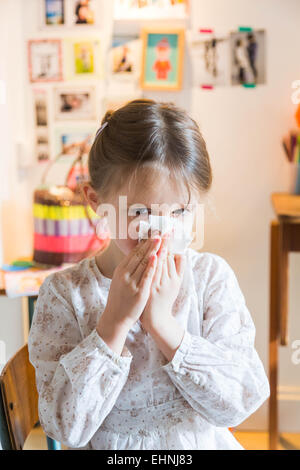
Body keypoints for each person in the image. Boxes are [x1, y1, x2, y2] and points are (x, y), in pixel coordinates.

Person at [28, 99, 270, 450]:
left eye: (180, 211)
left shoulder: (209, 278)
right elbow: (66, 428)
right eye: (140, 211)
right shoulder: (65, 294)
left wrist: (164, 326)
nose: (161, 233)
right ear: (96, 201)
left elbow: (239, 403)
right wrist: (113, 322)